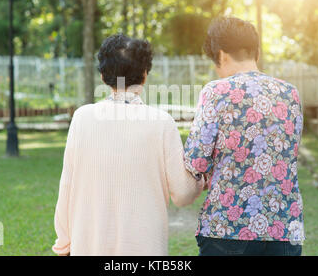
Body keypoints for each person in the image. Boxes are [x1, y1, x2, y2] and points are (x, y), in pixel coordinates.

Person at [52, 34, 204, 256]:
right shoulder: (162, 123)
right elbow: (182, 194)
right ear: (144, 75)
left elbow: (67, 187)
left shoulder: (82, 118)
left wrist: (64, 244)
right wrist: (200, 178)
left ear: (103, 76)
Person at [183, 16, 305, 256]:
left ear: (222, 55)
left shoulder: (216, 91)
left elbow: (196, 160)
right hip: (283, 227)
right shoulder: (291, 94)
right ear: (256, 52)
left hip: (227, 226)